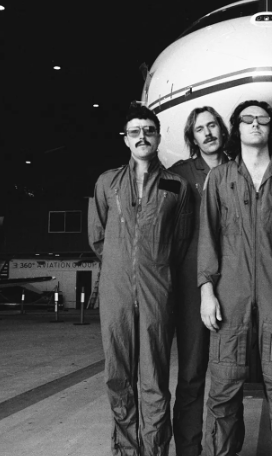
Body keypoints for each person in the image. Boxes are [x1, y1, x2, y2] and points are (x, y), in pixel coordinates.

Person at [198, 100, 272, 456]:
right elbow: (208, 237)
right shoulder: (219, 177)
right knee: (223, 387)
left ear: (270, 128)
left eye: (262, 119)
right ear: (237, 128)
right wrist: (206, 291)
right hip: (229, 294)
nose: (255, 124)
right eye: (247, 119)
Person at [88, 105, 192, 456]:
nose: (142, 136)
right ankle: (126, 449)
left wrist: (154, 266)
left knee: (154, 378)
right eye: (135, 131)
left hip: (157, 290)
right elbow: (97, 237)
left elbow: (181, 241)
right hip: (116, 289)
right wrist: (120, 266)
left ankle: (155, 450)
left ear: (159, 136)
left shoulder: (176, 185)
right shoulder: (107, 182)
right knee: (117, 376)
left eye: (149, 130)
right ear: (126, 139)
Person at [169, 106, 230, 456]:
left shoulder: (240, 169)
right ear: (192, 138)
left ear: (222, 129)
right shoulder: (178, 174)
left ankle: (222, 448)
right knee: (192, 373)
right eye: (199, 129)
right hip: (192, 286)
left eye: (212, 125)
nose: (207, 133)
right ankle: (189, 449)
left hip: (234, 281)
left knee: (228, 376)